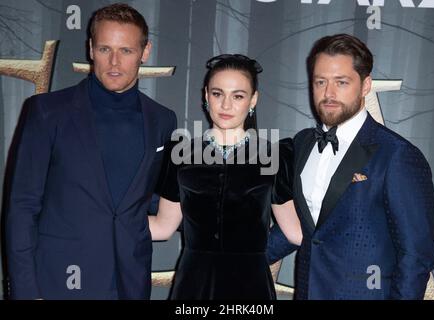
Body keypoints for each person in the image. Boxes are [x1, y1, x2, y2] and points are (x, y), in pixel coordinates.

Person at [5, 3, 176, 299]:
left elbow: (152, 199)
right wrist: (25, 292)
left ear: (145, 51)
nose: (114, 62)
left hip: (129, 282)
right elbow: (22, 208)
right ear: (90, 49)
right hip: (58, 282)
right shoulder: (46, 112)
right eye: (105, 49)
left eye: (126, 51)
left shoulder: (162, 119)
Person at [266, 34, 434, 300]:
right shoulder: (301, 144)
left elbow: (416, 256)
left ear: (365, 85)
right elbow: (304, 227)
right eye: (320, 82)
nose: (328, 93)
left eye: (341, 82)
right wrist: (236, 259)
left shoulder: (397, 155)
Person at [149, 54, 302, 300]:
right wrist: (100, 220)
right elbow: (163, 227)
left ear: (253, 100)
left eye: (238, 96)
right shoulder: (180, 154)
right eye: (218, 94)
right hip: (194, 285)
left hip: (251, 286)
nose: (226, 105)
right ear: (205, 96)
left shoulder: (273, 156)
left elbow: (295, 232)